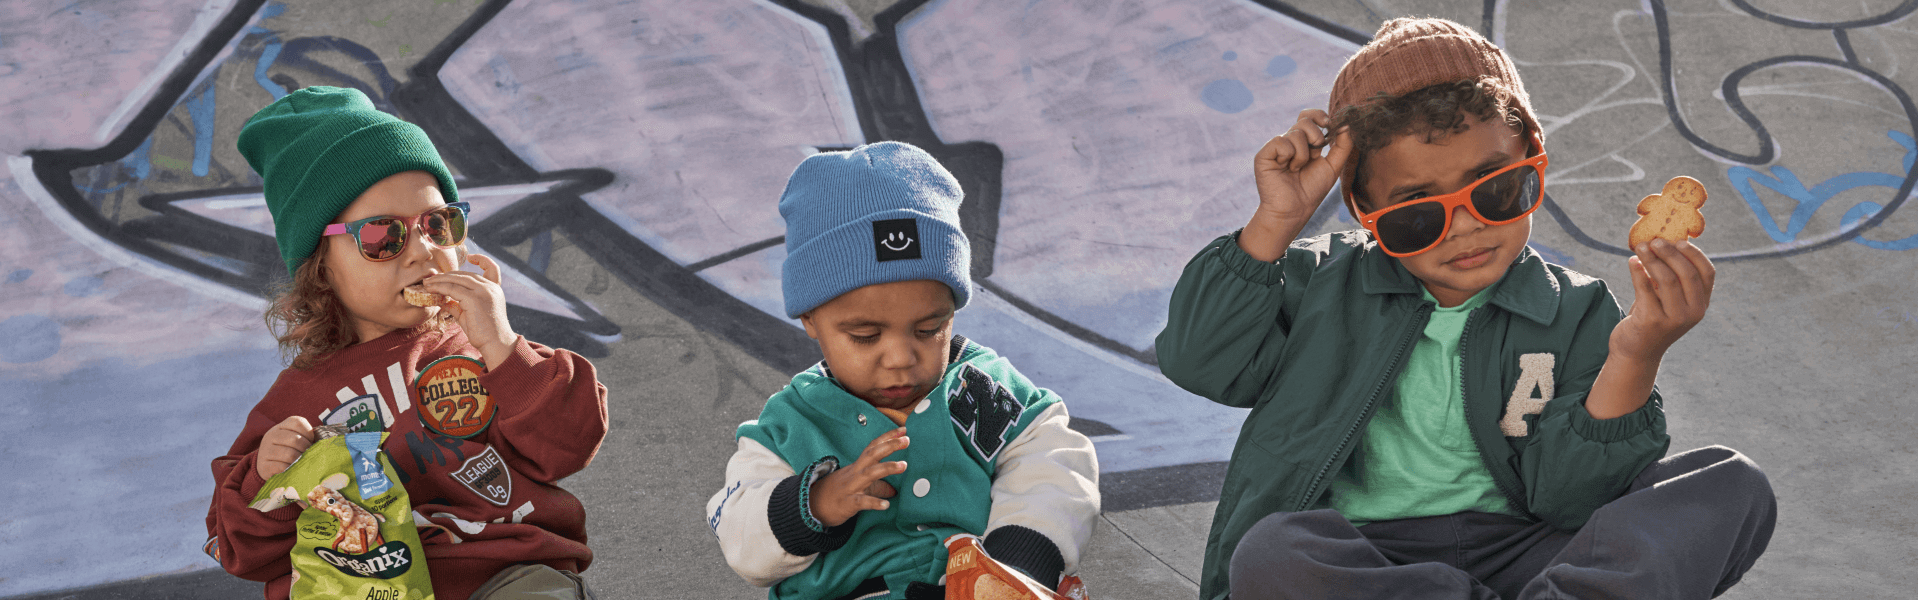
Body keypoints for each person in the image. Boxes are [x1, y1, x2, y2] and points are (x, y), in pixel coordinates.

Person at [1154, 18, 1776, 600]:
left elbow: (1571, 500)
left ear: (1533, 157)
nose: (1466, 225)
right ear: (1364, 209)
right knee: (1274, 551)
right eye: (1418, 211)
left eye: (1498, 189)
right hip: (1363, 558)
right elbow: (1198, 362)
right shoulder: (1316, 281)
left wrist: (1637, 353)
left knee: (1731, 486)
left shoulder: (1578, 311)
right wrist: (1277, 223)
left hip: (1526, 554)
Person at [203, 86, 608, 600]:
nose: (422, 251)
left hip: (506, 577)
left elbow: (570, 446)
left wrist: (503, 345)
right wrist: (271, 481)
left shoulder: (483, 350)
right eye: (381, 236)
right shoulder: (294, 404)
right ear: (320, 267)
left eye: (438, 224)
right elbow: (240, 550)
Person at [705, 141, 1100, 599]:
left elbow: (1054, 468)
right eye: (865, 336)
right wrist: (815, 503)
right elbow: (740, 538)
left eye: (929, 328)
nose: (900, 358)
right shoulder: (790, 427)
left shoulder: (983, 391)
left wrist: (1013, 567)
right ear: (810, 319)